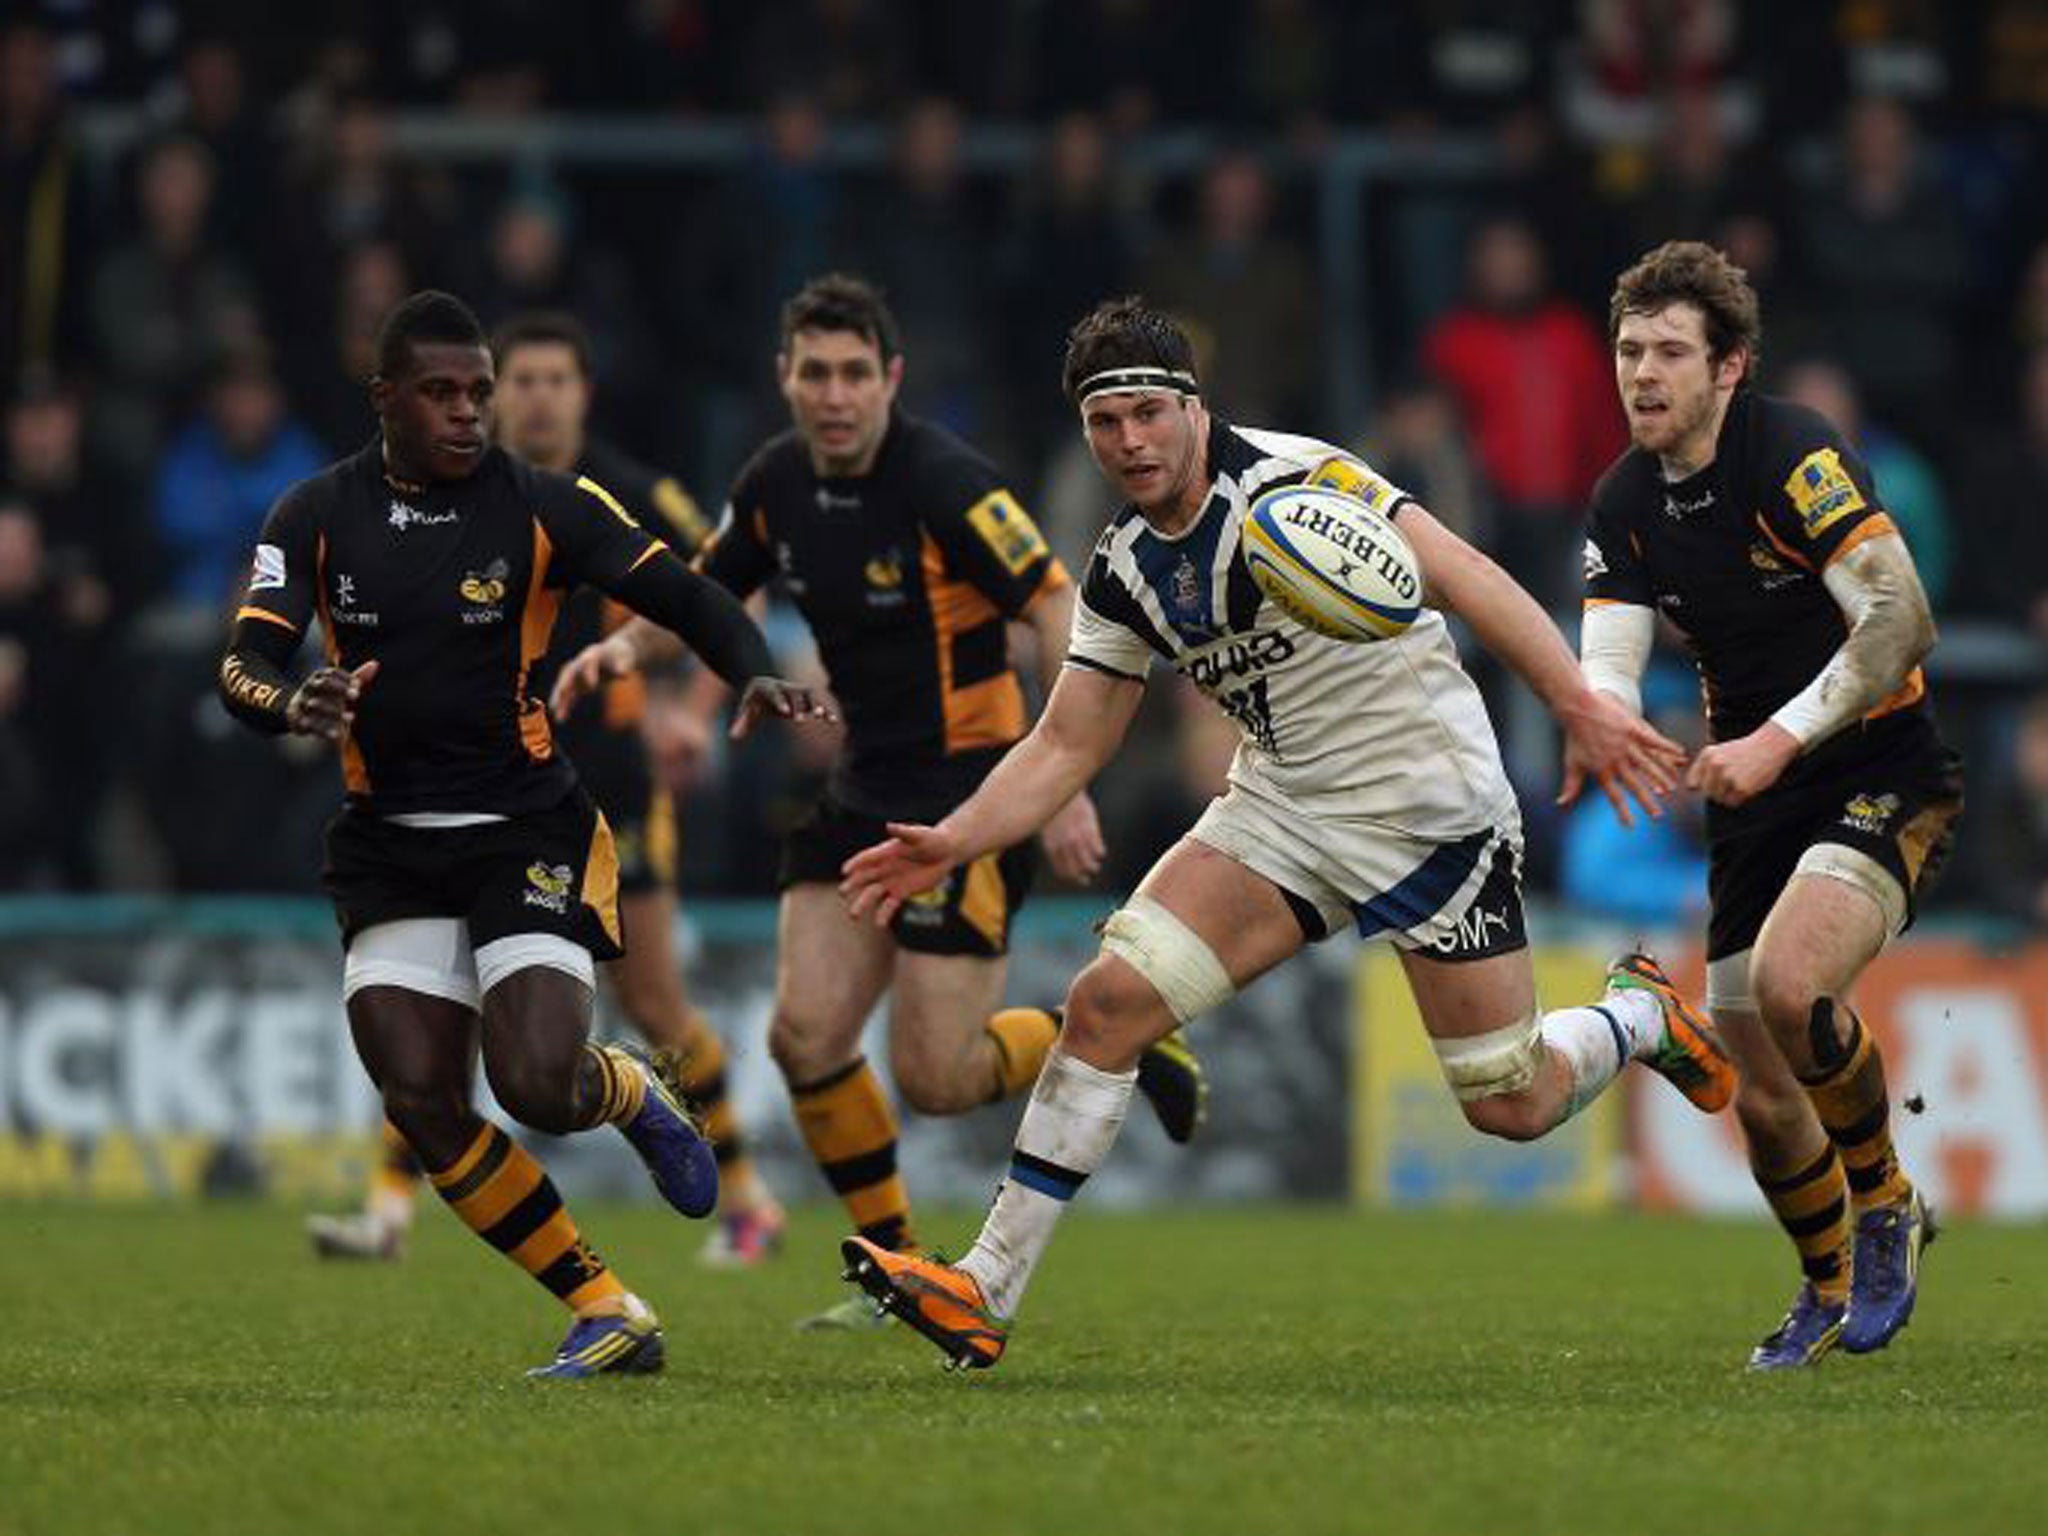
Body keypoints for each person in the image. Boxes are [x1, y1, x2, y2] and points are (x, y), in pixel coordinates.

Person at [833, 296, 1732, 1370]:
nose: (1129, 442)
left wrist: (1576, 704)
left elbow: (1465, 576)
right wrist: (953, 838)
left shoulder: (1298, 482)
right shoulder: (1122, 567)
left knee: (1513, 1102)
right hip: (1283, 811)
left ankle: (1638, 1016)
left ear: (1194, 408)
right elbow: (1067, 742)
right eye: (1104, 423)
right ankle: (983, 1287)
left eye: (1146, 414)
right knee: (1106, 1005)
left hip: (1425, 808)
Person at [551, 274, 1206, 1330]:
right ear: (785, 378)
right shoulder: (773, 483)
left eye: (854, 373)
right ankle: (894, 1269)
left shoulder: (944, 480)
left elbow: (1051, 601)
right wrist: (621, 651)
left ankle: (1112, 1036)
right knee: (804, 1037)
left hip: (968, 797)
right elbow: (704, 592)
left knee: (937, 1077)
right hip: (859, 793)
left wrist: (1062, 770)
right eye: (815, 373)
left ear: (890, 379)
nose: (835, 394)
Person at [219, 290, 826, 1378]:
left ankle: (625, 1086)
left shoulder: (548, 503)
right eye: (440, 393)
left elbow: (687, 596)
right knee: (420, 1099)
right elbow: (242, 660)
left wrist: (751, 671)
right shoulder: (310, 514)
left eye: (480, 393)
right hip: (389, 843)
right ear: (385, 398)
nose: (468, 412)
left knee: (537, 1083)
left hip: (525, 826)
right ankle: (605, 1307)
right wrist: (289, 700)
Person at [305, 310, 786, 1268]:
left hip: (605, 782)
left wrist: (693, 709)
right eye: (518, 382)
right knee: (440, 994)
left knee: (654, 1002)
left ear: (583, 393)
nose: (534, 400)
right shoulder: (445, 499)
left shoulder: (624, 492)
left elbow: (728, 583)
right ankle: (389, 1207)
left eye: (552, 381)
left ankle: (747, 1199)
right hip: (466, 789)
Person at [1578, 241, 1961, 1369]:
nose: (1641, 373)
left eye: (1668, 351)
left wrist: (1775, 740)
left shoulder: (1792, 453)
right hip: (1751, 796)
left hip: (1876, 765)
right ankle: (1825, 1284)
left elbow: (1902, 620)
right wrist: (1604, 720)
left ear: (1729, 366)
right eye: (1627, 350)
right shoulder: (1623, 497)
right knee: (1757, 1085)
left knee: (1794, 989)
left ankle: (1885, 1205)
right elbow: (1610, 651)